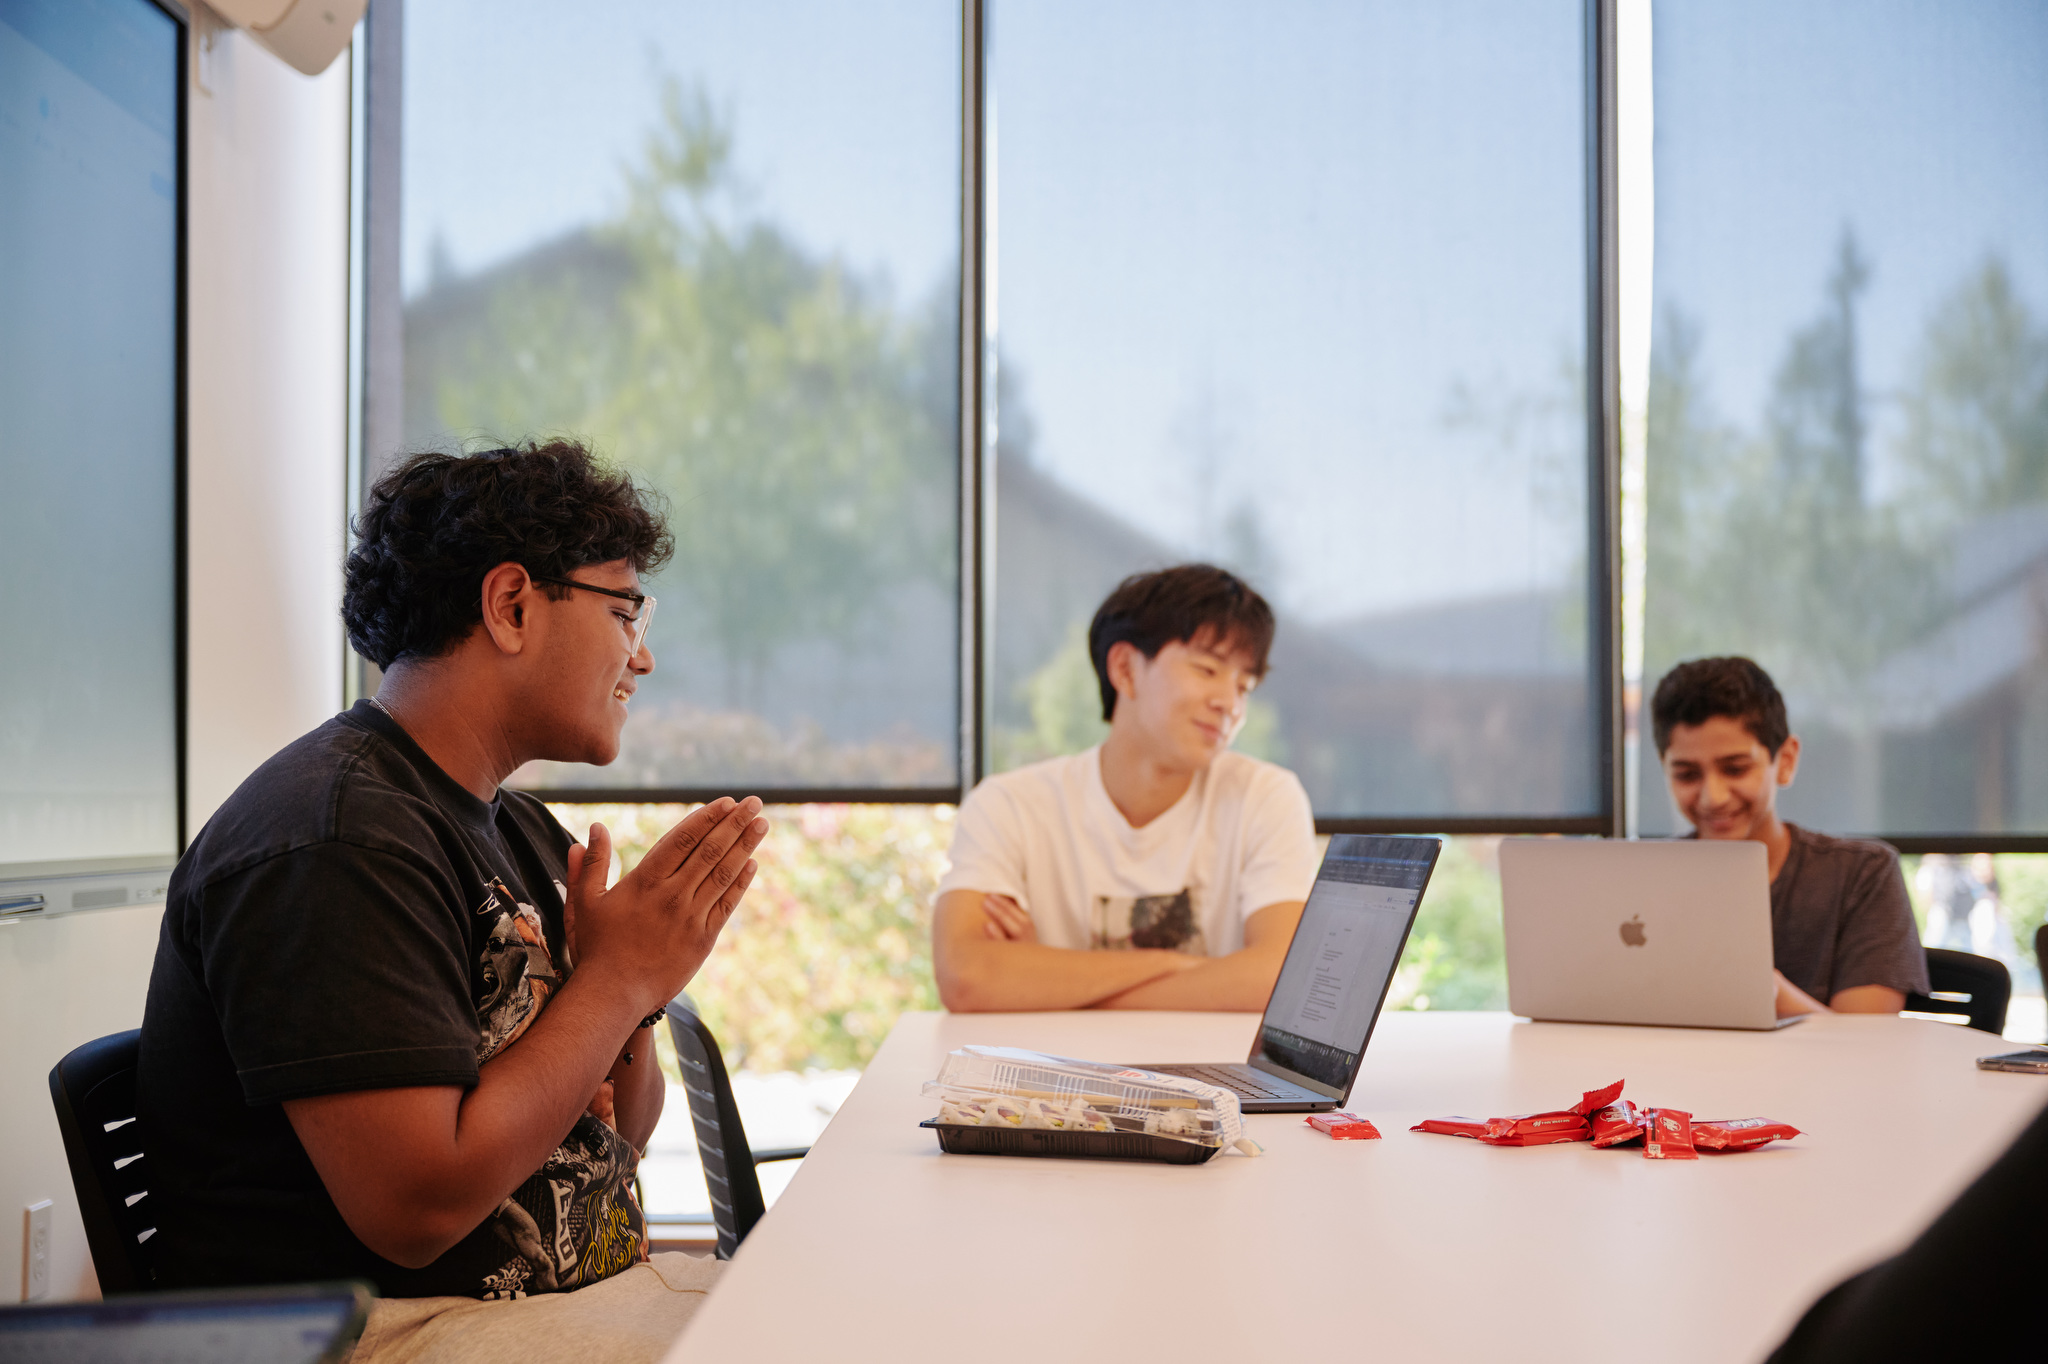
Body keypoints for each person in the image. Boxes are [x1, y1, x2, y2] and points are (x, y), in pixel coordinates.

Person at [137, 441, 768, 1361]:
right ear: (511, 605)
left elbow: (620, 1133)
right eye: (626, 609)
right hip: (390, 1333)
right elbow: (417, 1208)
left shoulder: (516, 828)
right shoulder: (337, 837)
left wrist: (617, 997)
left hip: (549, 1304)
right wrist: (618, 981)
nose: (645, 655)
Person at [933, 565, 1319, 1012]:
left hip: (1211, 1078)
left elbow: (1280, 981)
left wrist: (1051, 983)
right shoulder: (1009, 806)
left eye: (1244, 686)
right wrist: (1182, 969)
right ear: (1124, 669)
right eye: (1207, 668)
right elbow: (967, 976)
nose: (1229, 703)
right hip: (1058, 1076)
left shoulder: (1265, 797)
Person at [1650, 655, 1928, 1017]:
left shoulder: (1863, 874)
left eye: (1735, 769)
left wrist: (1760, 988)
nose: (1712, 797)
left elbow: (1868, 1047)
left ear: (1785, 761)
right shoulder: (1649, 880)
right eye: (1687, 774)